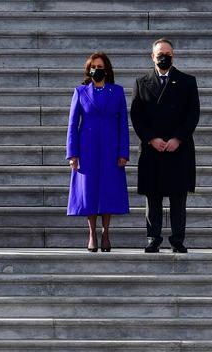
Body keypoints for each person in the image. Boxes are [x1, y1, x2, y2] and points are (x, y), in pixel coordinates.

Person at [131, 38, 200, 253]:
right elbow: (136, 115)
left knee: (179, 196)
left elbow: (193, 114)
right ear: (152, 56)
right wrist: (151, 138)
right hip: (153, 148)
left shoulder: (187, 81)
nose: (164, 57)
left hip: (179, 148)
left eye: (168, 53)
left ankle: (178, 238)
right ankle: (153, 237)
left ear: (174, 55)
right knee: (153, 196)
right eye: (160, 53)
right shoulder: (141, 82)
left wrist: (177, 138)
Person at [66, 52, 130, 252]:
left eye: (100, 66)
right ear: (88, 69)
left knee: (108, 189)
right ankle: (92, 233)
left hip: (111, 146)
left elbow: (123, 124)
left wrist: (123, 152)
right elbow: (72, 124)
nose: (97, 70)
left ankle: (106, 233)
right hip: (88, 147)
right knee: (89, 190)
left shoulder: (117, 92)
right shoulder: (80, 91)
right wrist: (72, 153)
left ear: (107, 69)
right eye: (94, 66)